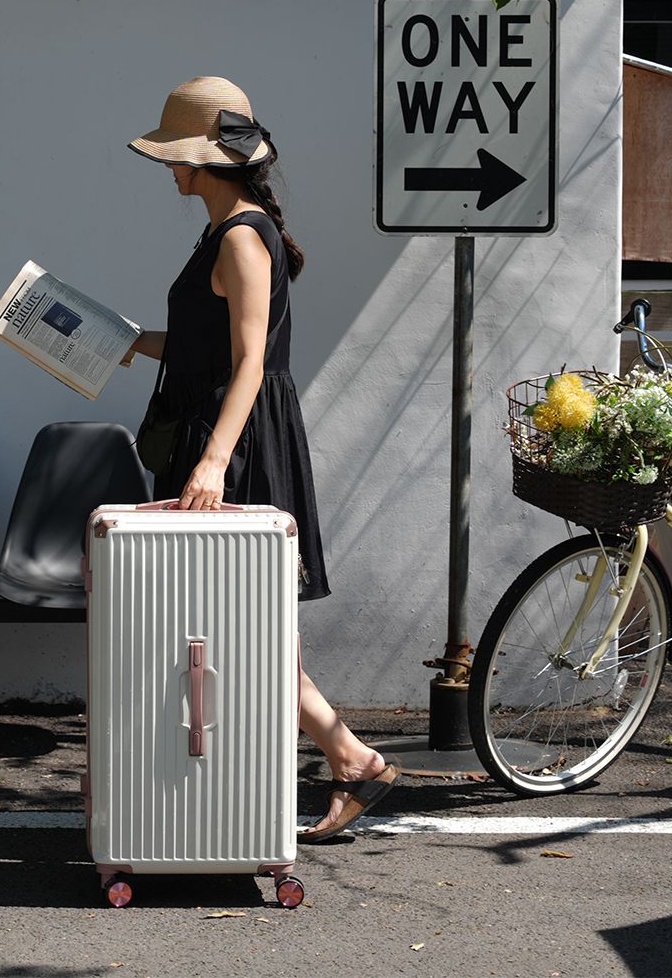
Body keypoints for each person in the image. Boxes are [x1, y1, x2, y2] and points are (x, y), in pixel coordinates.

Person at [124, 76, 397, 842]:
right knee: (235, 624)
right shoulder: (225, 232)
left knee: (237, 625)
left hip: (234, 445)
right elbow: (209, 344)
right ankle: (352, 762)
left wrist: (212, 463)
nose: (169, 169)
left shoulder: (242, 236)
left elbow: (249, 363)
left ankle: (351, 760)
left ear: (201, 163)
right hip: (221, 434)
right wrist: (127, 341)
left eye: (176, 155)